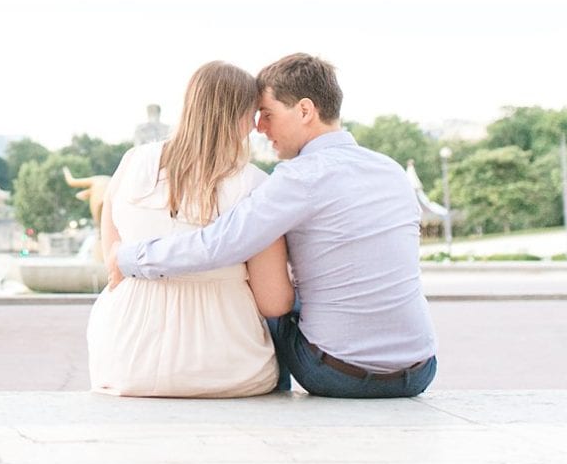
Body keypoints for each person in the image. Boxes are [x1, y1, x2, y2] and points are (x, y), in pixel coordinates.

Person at [109, 53, 438, 399]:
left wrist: (128, 258)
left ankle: (269, 392)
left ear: (305, 111)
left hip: (337, 373)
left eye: (267, 115)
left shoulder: (298, 178)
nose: (260, 128)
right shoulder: (391, 170)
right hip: (420, 369)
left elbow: (220, 244)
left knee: (268, 299)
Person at [88, 61, 294, 397]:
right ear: (240, 117)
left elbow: (113, 262)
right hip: (224, 365)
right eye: (254, 113)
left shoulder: (133, 162)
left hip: (124, 359)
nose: (257, 126)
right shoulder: (255, 185)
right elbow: (273, 302)